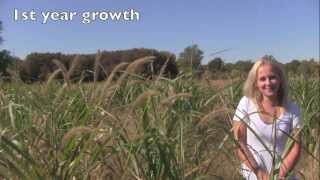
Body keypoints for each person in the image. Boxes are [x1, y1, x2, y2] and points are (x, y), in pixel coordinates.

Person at [233, 56, 302, 180]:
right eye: (262, 79)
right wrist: (258, 172)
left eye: (272, 77)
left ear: (280, 80)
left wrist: (279, 175)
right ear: (256, 83)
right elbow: (240, 142)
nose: (268, 83)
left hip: (284, 177)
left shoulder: (292, 108)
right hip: (253, 176)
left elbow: (296, 148)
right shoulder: (246, 103)